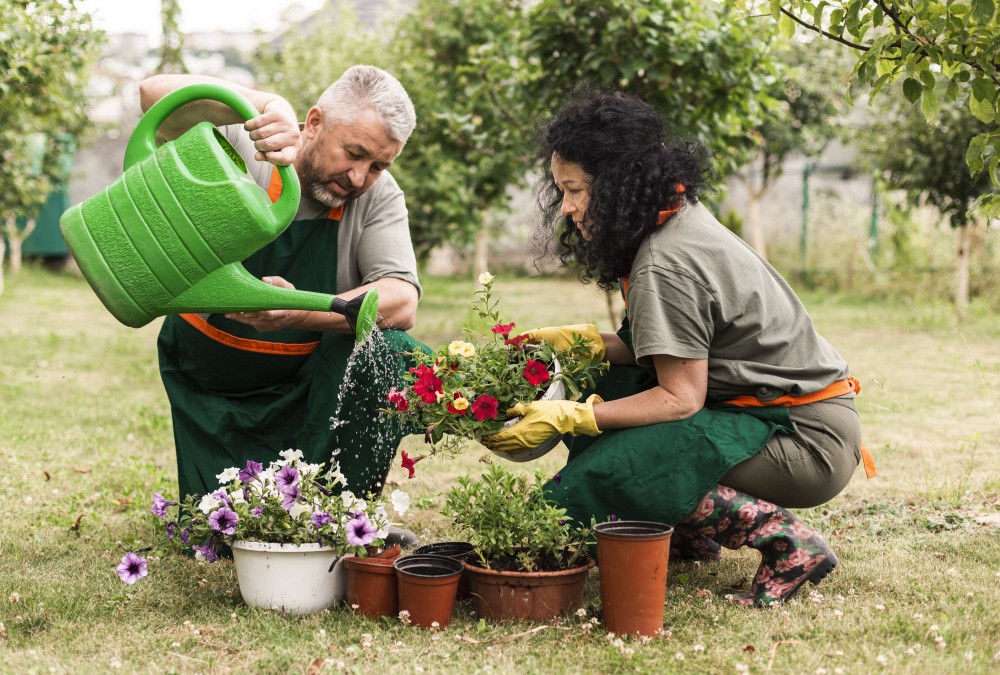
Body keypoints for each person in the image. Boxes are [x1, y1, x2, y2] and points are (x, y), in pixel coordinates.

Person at [483, 93, 872, 607]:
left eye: (575, 191)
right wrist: (580, 344)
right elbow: (663, 349)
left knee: (624, 463)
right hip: (782, 418)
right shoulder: (677, 215)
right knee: (616, 389)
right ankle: (689, 532)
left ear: (619, 185)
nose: (568, 208)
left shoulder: (665, 262)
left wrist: (571, 416)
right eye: (562, 191)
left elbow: (680, 398)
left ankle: (790, 545)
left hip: (804, 443)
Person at [139, 66, 425, 512]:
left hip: (307, 395)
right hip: (212, 385)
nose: (358, 177)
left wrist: (297, 311)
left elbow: (402, 301)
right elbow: (152, 95)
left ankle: (343, 515)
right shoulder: (250, 142)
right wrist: (267, 102)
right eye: (354, 153)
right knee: (227, 535)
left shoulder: (378, 195)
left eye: (377, 166)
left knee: (389, 348)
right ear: (313, 123)